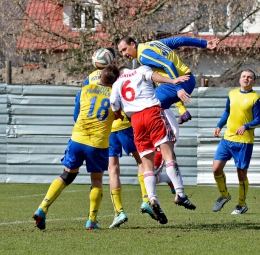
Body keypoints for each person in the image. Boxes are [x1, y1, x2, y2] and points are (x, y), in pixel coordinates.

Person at [32, 65, 120, 230]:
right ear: (116, 81)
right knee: (96, 180)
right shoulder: (115, 95)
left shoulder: (85, 89)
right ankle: (91, 221)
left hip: (77, 138)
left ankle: (42, 208)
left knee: (67, 175)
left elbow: (76, 112)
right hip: (97, 143)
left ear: (100, 76)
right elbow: (119, 116)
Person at [110, 65, 196, 225]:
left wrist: (117, 113)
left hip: (135, 120)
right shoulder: (140, 70)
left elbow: (114, 103)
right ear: (129, 69)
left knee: (146, 164)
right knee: (168, 154)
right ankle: (180, 193)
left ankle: (152, 199)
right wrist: (172, 80)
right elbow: (153, 76)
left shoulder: (116, 83)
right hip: (152, 113)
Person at [117, 35, 219, 124]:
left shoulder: (143, 55)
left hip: (177, 86)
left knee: (143, 107)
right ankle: (176, 120)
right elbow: (180, 40)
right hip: (189, 79)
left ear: (133, 44)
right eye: (121, 52)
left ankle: (158, 140)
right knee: (157, 112)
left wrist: (178, 88)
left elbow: (168, 64)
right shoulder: (153, 44)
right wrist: (204, 43)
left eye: (125, 49)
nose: (123, 54)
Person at [212, 69, 260, 214]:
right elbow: (227, 112)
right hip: (227, 138)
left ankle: (241, 204)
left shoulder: (255, 98)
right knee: (216, 169)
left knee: (241, 174)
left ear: (254, 81)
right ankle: (225, 195)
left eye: (249, 77)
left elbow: (258, 119)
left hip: (244, 142)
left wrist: (246, 126)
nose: (246, 79)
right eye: (244, 76)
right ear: (239, 79)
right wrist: (219, 125)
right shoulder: (232, 94)